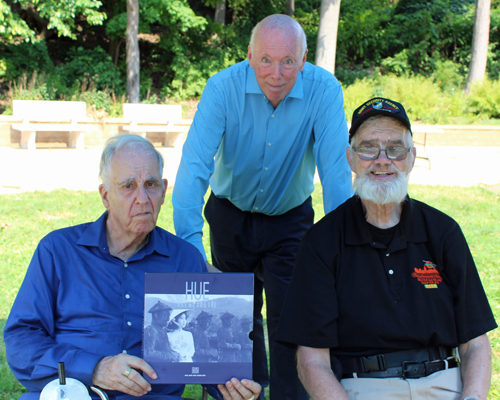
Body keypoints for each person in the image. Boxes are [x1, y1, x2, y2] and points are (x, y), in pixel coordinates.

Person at [172, 13, 353, 399]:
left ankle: (291, 394)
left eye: (288, 61)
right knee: (232, 314)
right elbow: (193, 168)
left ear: (303, 59)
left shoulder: (324, 90)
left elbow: (336, 171)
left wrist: (343, 247)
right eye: (267, 60)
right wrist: (191, 252)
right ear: (250, 55)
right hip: (229, 214)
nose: (277, 73)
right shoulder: (222, 88)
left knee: (292, 316)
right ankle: (236, 393)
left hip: (290, 218)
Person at [3, 134, 262, 400]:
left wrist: (232, 390)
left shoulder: (184, 259)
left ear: (163, 190)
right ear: (105, 195)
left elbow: (205, 361)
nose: (142, 198)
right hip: (75, 393)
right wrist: (94, 368)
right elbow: (22, 339)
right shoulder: (58, 251)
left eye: (150, 184)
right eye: (128, 186)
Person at [276, 98, 498, 399]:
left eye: (395, 148)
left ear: (411, 158)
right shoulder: (322, 242)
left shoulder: (443, 232)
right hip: (363, 388)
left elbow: (475, 343)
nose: (382, 160)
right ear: (351, 158)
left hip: (446, 386)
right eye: (368, 148)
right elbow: (312, 360)